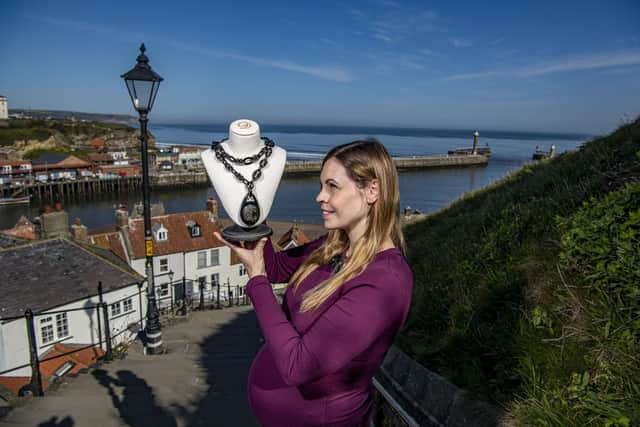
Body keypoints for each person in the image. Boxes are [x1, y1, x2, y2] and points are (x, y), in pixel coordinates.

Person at [215, 139, 413, 427]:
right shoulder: (333, 246)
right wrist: (254, 214)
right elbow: (276, 267)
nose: (320, 196)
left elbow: (297, 366)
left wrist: (256, 280)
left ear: (372, 190)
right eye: (321, 186)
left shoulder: (386, 281)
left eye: (332, 186)